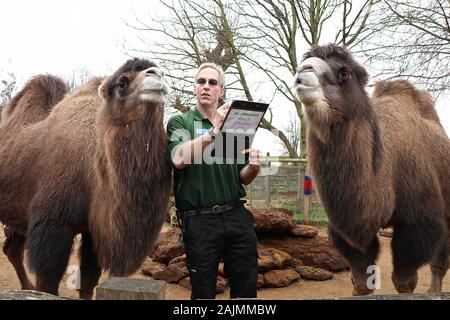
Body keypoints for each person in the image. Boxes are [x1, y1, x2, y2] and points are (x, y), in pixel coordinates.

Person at [167, 62, 262, 299]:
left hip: (236, 214)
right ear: (195, 88)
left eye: (212, 83)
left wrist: (254, 167)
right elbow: (179, 160)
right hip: (199, 220)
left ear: (222, 90)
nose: (206, 87)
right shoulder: (181, 123)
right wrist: (213, 132)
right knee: (203, 292)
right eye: (201, 82)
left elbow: (243, 177)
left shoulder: (236, 126)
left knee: (246, 287)